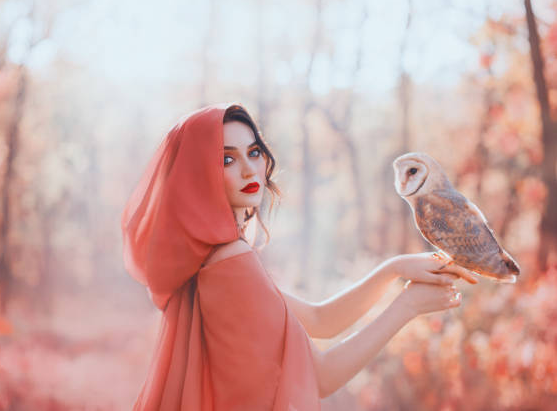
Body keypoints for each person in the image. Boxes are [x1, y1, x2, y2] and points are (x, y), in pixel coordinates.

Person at [120, 102, 478, 410]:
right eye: (227, 158)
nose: (249, 169)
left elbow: (322, 320)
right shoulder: (231, 260)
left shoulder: (210, 261)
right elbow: (322, 376)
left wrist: (393, 270)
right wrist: (407, 307)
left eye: (254, 152)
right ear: (199, 175)